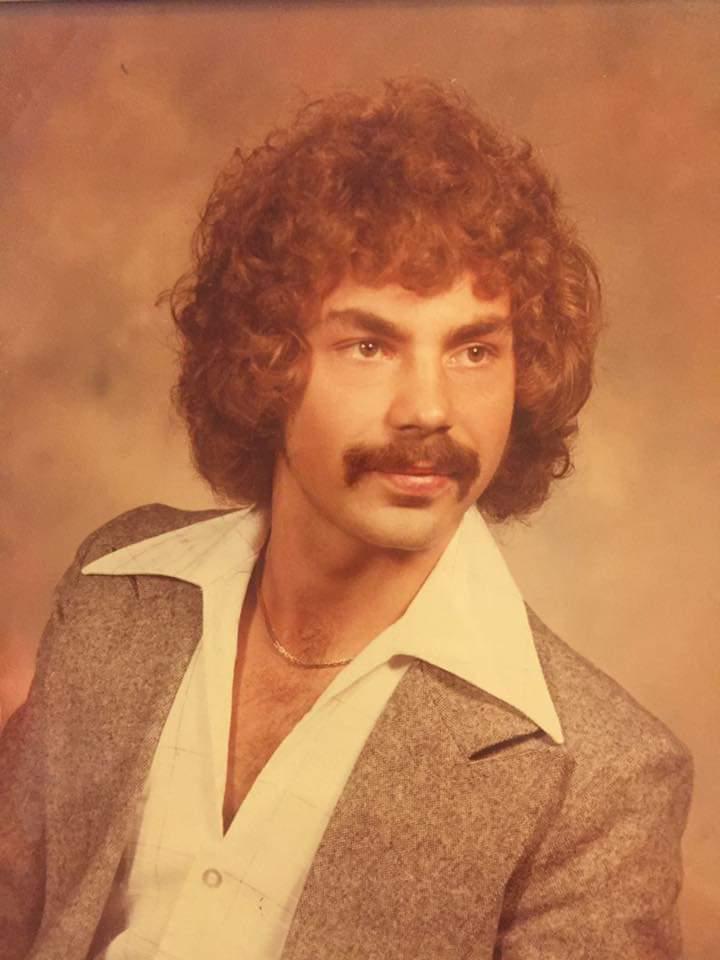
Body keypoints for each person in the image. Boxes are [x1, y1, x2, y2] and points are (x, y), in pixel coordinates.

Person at [0, 79, 692, 959]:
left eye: (475, 349)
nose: (429, 410)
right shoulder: (116, 589)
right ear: (265, 364)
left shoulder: (599, 781)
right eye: (370, 345)